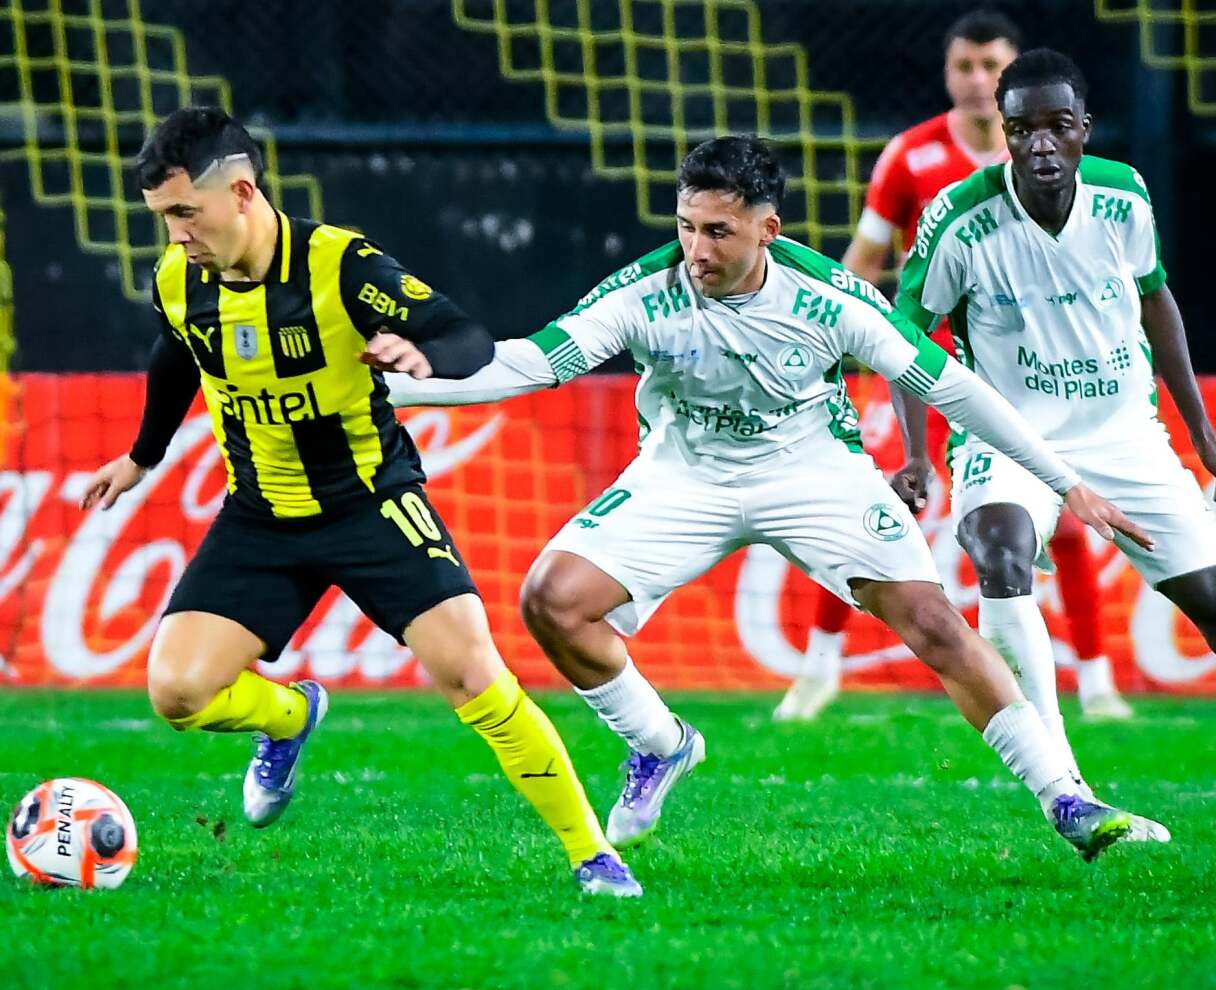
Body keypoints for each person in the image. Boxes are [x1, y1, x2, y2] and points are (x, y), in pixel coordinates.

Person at [385, 135, 1166, 861]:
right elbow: (535, 364)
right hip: (684, 472)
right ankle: (660, 743)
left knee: (933, 622)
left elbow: (952, 387)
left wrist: (1067, 483)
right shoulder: (645, 290)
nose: (696, 250)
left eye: (719, 232)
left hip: (813, 469)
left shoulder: (832, 300)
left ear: (768, 228)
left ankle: (1065, 798)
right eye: (687, 226)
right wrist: (399, 388)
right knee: (551, 601)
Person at [79, 106, 641, 897]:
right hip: (261, 515)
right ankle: (288, 718)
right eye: (162, 218)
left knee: (473, 673)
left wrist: (424, 354)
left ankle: (593, 856)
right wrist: (143, 456)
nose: (175, 236)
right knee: (177, 693)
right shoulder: (180, 278)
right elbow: (176, 350)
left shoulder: (340, 265)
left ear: (241, 194)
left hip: (371, 505)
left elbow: (464, 333)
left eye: (184, 214)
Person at [777, 9, 1129, 722]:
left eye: (990, 67)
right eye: (963, 67)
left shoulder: (1054, 158)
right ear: (947, 74)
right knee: (871, 503)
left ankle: (1097, 682)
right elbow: (860, 267)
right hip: (924, 374)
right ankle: (817, 670)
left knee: (1062, 516)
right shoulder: (910, 157)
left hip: (1027, 375)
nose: (976, 81)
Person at [894, 49, 1216, 822]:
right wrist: (912, 453)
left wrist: (1201, 433)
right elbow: (904, 334)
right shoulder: (958, 220)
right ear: (1003, 134)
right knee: (999, 552)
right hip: (1006, 436)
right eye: (1023, 129)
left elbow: (1155, 298)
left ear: (1083, 130)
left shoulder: (1123, 195)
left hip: (1123, 433)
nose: (1041, 143)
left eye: (1057, 126)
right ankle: (1066, 787)